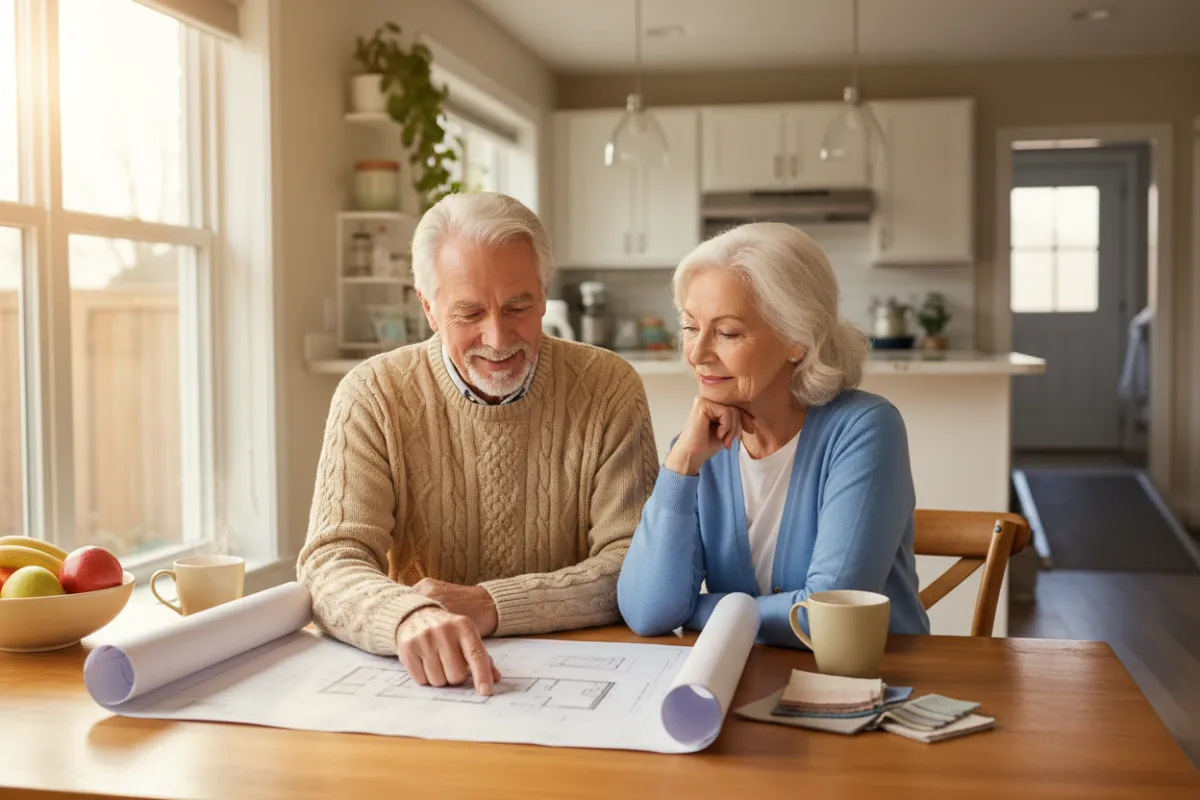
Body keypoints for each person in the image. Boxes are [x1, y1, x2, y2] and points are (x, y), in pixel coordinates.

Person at [299, 192, 658, 694]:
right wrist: (408, 616)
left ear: (544, 293)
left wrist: (491, 604)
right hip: (428, 677)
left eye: (519, 306)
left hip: (581, 678)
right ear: (428, 307)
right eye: (469, 313)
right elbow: (330, 563)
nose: (497, 337)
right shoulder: (373, 394)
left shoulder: (608, 386)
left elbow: (634, 565)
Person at [617, 222, 929, 647]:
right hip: (752, 686)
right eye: (691, 327)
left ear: (797, 339)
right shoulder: (700, 445)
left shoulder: (866, 429)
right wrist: (681, 465)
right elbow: (648, 612)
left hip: (869, 688)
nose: (697, 352)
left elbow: (826, 615)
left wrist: (697, 609)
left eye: (727, 332)